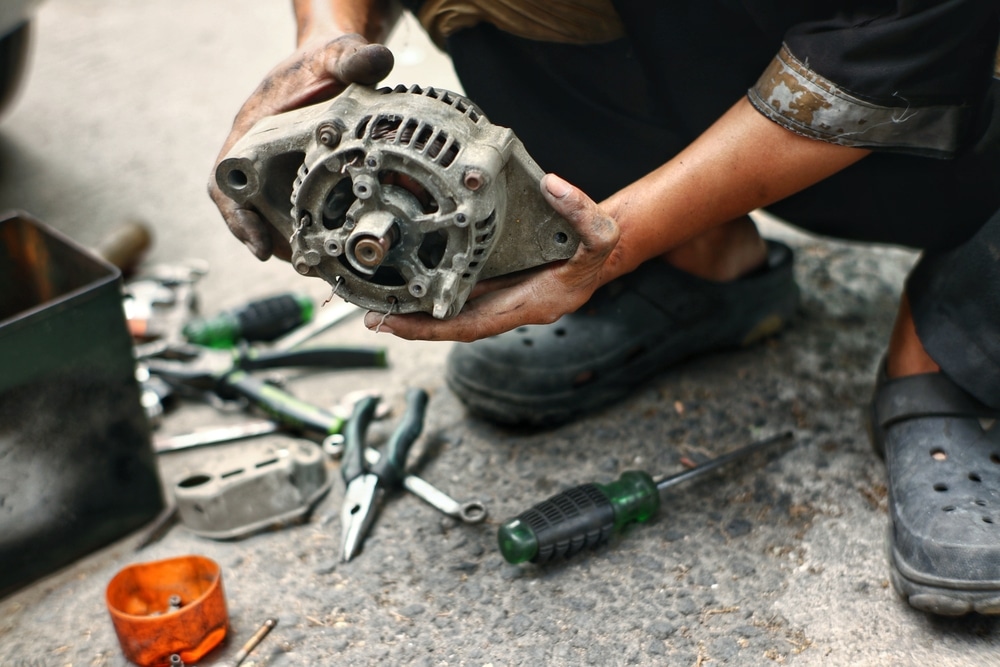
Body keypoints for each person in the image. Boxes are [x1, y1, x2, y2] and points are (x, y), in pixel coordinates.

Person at [210, 1, 1000, 616]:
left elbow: (906, 36)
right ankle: (705, 258)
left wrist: (616, 242)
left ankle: (950, 347)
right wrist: (325, 46)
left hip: (963, 122)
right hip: (753, 70)